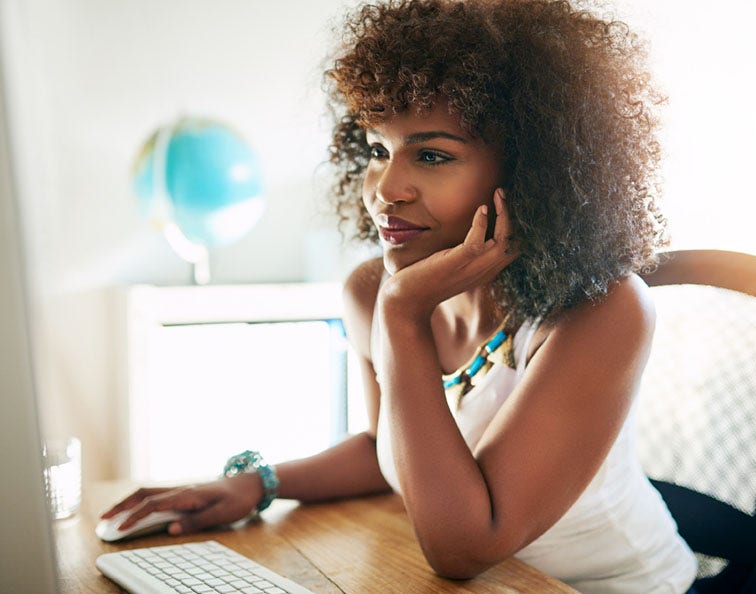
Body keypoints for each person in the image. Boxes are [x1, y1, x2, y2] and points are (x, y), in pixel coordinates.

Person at [102, 1, 698, 592]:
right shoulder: (371, 291)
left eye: (432, 155)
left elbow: (464, 546)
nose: (386, 188)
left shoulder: (602, 313)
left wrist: (403, 316)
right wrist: (260, 483)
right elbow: (388, 452)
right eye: (378, 150)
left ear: (530, 170)